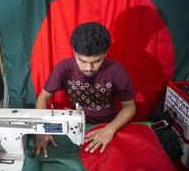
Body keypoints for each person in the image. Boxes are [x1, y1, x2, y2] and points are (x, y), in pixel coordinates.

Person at [34, 22, 136, 157]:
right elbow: (43, 97)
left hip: (107, 125)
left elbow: (130, 107)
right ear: (74, 52)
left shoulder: (117, 71)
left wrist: (110, 129)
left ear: (106, 53)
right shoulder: (63, 68)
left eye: (96, 61)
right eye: (82, 60)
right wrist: (41, 129)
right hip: (74, 124)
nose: (89, 68)